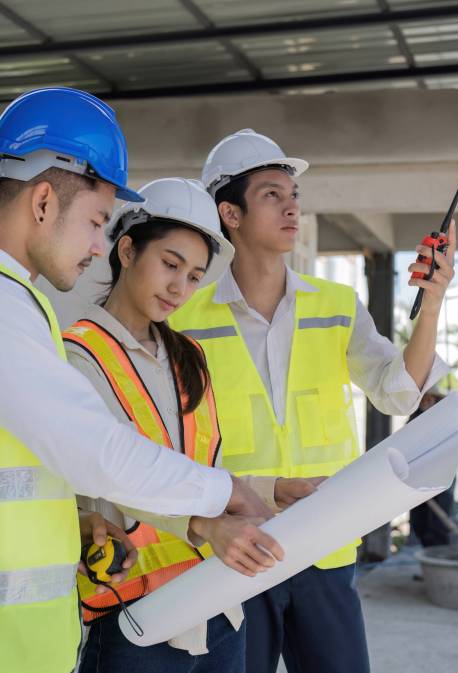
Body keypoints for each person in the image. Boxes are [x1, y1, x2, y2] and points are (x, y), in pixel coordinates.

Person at [0, 94, 280, 673]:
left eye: (195, 275)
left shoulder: (26, 309)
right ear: (45, 200)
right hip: (106, 624)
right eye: (98, 222)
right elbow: (96, 454)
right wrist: (218, 502)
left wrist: (269, 489)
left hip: (74, 632)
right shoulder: (14, 311)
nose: (98, 247)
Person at [171, 129, 455, 673]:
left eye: (294, 195)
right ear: (229, 214)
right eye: (272, 195)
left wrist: (433, 303)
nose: (292, 208)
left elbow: (398, 391)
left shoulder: (337, 305)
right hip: (238, 545)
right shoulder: (187, 320)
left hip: (325, 544)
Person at [64, 177, 297, 673]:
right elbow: (110, 475)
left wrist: (276, 489)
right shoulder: (76, 355)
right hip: (134, 617)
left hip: (219, 606)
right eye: (170, 264)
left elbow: (197, 471)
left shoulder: (189, 355)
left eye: (194, 276)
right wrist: (207, 525)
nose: (179, 288)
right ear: (126, 250)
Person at [408, 386, 455, 547]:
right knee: (419, 521)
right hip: (419, 477)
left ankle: (439, 560)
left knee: (438, 522)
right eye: (424, 398)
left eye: (430, 398)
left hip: (441, 476)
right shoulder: (414, 420)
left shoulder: (445, 420)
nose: (426, 401)